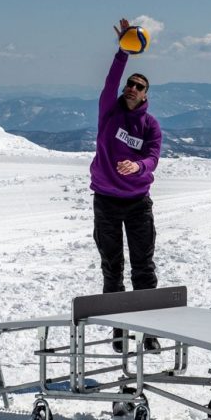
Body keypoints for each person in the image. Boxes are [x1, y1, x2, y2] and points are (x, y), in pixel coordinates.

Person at [90, 18, 163, 353]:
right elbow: (109, 82)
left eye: (139, 85)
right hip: (106, 199)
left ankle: (149, 332)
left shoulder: (150, 125)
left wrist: (138, 166)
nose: (131, 87)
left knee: (143, 268)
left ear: (146, 94)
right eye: (130, 84)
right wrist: (122, 52)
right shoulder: (109, 111)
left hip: (137, 202)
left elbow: (152, 157)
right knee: (112, 268)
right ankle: (119, 332)